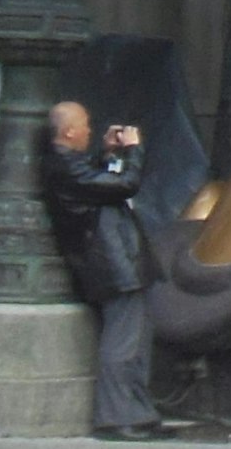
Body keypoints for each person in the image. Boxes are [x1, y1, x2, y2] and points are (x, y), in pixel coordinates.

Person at [42, 101, 160, 437]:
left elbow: (98, 180)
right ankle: (115, 417)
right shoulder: (65, 169)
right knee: (122, 345)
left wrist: (108, 153)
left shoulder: (71, 167)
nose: (90, 131)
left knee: (136, 343)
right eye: (85, 126)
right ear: (68, 132)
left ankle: (137, 413)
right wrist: (134, 151)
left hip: (123, 260)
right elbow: (124, 185)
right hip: (112, 264)